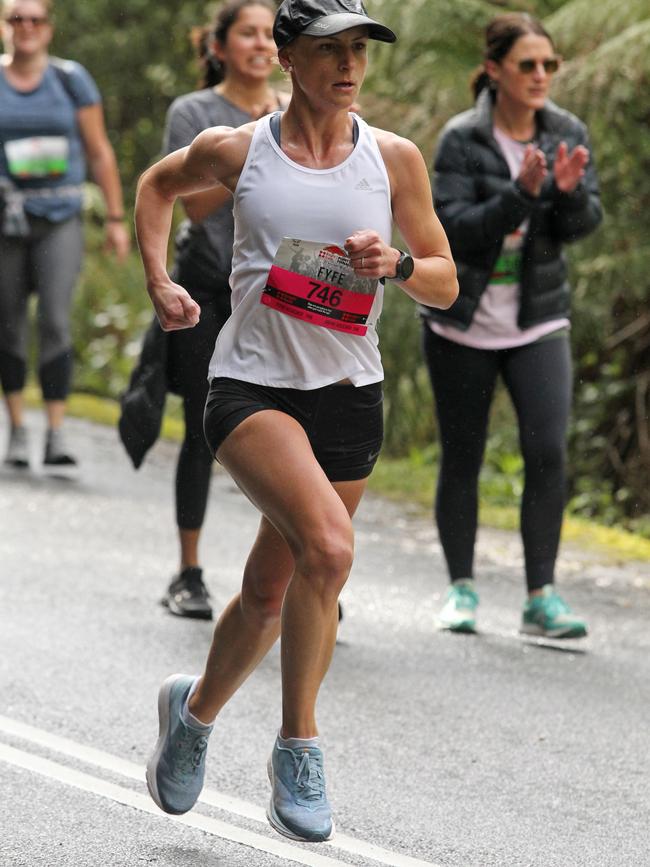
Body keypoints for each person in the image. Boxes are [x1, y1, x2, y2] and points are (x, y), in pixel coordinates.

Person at [135, 0, 457, 843]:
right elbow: (155, 187)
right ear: (287, 57)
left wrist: (401, 264)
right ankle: (298, 746)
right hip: (250, 386)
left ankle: (192, 714)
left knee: (275, 587)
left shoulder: (394, 159)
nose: (349, 65)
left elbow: (448, 282)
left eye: (358, 49)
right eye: (329, 49)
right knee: (331, 548)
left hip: (348, 395)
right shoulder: (240, 149)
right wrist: (160, 280)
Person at [421, 12, 602, 638]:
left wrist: (569, 195)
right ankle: (462, 590)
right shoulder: (461, 140)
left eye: (549, 65)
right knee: (463, 457)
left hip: (537, 320)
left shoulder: (566, 132)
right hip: (462, 322)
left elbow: (583, 224)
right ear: (494, 70)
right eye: (527, 65)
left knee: (547, 452)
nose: (541, 76)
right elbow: (453, 228)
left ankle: (541, 597)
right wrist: (522, 195)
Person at [126, 0, 287, 620]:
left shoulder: (296, 112)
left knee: (291, 430)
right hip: (208, 290)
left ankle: (289, 567)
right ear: (218, 47)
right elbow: (190, 208)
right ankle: (189, 571)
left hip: (279, 296)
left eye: (268, 35)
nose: (259, 44)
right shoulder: (196, 115)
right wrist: (264, 145)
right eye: (245, 33)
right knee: (205, 427)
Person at [0, 0, 129, 472]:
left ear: (49, 28)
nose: (26, 27)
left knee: (55, 319)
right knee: (9, 326)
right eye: (16, 19)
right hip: (5, 219)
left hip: (60, 215)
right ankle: (16, 430)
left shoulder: (70, 80)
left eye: (35, 19)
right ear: (5, 27)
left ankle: (56, 433)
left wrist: (116, 219)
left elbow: (98, 151)